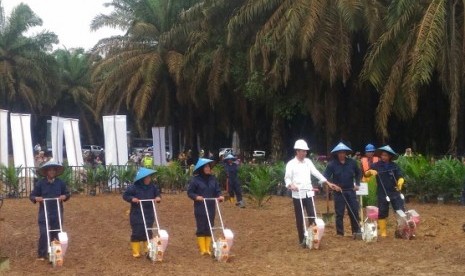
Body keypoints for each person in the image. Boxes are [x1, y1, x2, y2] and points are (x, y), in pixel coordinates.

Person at [284, 139, 337, 247]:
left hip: (309, 193)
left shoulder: (308, 162)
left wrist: (327, 182)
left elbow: (316, 172)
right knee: (300, 217)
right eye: (303, 151)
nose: (305, 153)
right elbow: (287, 178)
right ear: (297, 151)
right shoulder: (291, 164)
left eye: (305, 151)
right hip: (297, 194)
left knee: (312, 216)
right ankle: (302, 240)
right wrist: (291, 185)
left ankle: (313, 237)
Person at [29, 161, 70, 261]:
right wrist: (36, 198)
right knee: (44, 232)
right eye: (50, 170)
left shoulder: (60, 183)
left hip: (57, 211)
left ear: (56, 172)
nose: (52, 172)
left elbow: (67, 194)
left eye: (53, 170)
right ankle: (42, 254)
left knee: (56, 232)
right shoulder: (41, 183)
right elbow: (32, 195)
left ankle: (54, 254)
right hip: (44, 212)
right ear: (46, 172)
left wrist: (64, 196)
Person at [365, 145, 405, 237]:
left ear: (390, 156)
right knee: (382, 211)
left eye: (386, 155)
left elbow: (400, 176)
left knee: (400, 209)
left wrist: (400, 182)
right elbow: (366, 174)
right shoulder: (376, 165)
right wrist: (370, 172)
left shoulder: (394, 166)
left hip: (394, 191)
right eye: (382, 155)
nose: (384, 157)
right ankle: (383, 232)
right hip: (382, 192)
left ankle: (401, 229)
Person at [324, 142, 362, 237]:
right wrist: (332, 186)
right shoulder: (332, 164)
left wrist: (357, 184)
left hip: (350, 190)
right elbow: (325, 178)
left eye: (343, 152)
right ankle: (340, 233)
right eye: (339, 153)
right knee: (339, 213)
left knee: (354, 211)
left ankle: (356, 231)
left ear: (346, 153)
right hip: (338, 192)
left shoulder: (352, 163)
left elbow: (358, 173)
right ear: (336, 153)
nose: (341, 154)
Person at [187, 158, 224, 256]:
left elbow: (217, 190)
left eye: (209, 167)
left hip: (211, 205)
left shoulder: (213, 179)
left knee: (209, 226)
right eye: (206, 167)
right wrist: (196, 197)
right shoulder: (195, 180)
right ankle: (202, 249)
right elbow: (190, 192)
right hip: (200, 207)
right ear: (201, 169)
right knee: (202, 226)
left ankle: (208, 248)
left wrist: (219, 196)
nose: (208, 168)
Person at [123, 167, 161, 258]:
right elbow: (125, 195)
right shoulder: (133, 187)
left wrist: (158, 198)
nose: (149, 179)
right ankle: (136, 251)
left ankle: (147, 250)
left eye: (149, 177)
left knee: (148, 231)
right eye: (147, 178)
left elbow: (158, 195)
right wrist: (132, 199)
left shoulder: (153, 187)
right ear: (142, 179)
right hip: (137, 212)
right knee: (137, 231)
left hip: (149, 212)